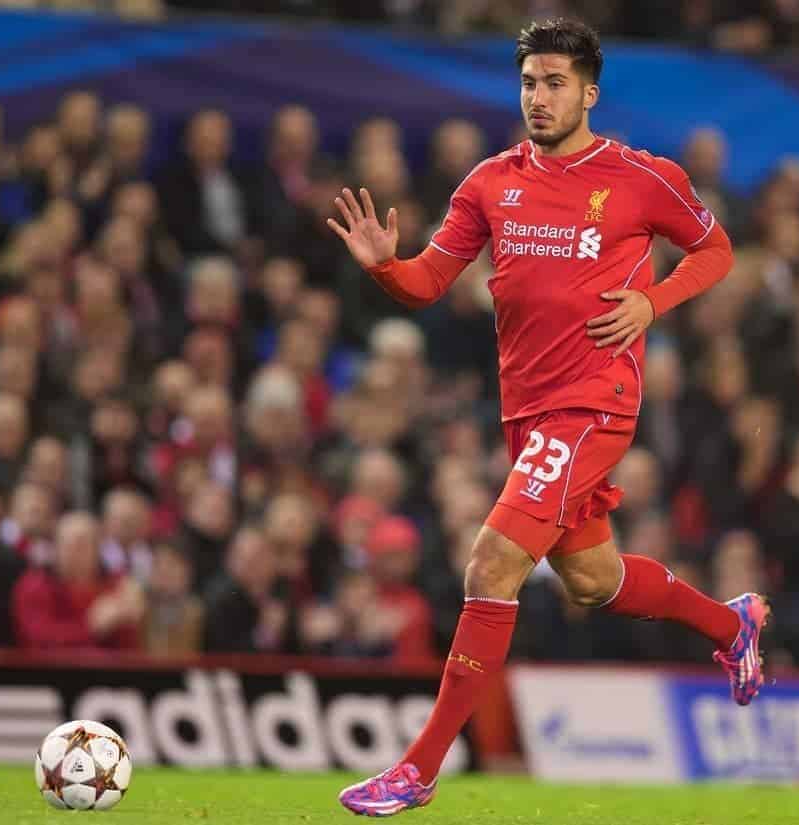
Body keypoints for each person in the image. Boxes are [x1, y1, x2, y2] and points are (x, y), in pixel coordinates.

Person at [329, 17, 769, 817]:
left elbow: (716, 250)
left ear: (589, 92)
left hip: (593, 403)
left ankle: (419, 769)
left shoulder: (643, 177)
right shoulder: (489, 182)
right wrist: (384, 267)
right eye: (529, 82)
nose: (539, 96)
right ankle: (730, 625)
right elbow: (428, 282)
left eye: (555, 82)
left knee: (492, 565)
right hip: (528, 415)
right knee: (594, 580)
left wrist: (651, 300)